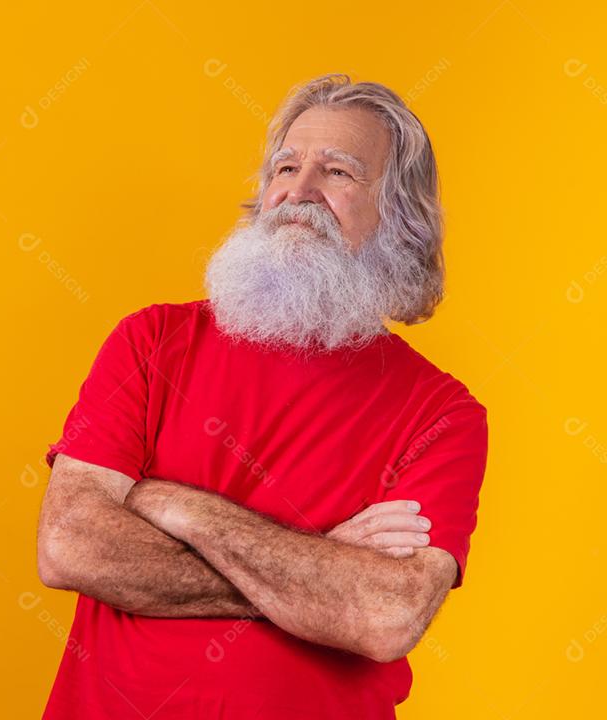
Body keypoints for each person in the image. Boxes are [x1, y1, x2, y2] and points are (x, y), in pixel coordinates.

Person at [36, 73, 488, 719]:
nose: (298, 194)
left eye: (337, 172)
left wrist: (170, 504)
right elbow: (71, 547)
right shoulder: (154, 340)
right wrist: (323, 571)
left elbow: (385, 617)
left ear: (398, 213)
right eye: (286, 166)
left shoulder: (443, 413)